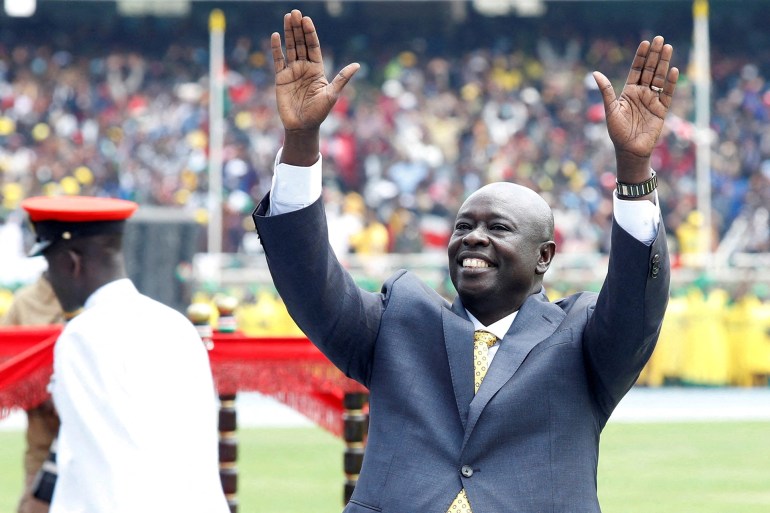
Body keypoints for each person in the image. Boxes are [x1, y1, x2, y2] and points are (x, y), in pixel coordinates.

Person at [253, 9, 675, 513]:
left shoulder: (582, 338)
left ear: (544, 258)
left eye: (497, 229)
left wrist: (634, 168)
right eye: (463, 226)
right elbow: (308, 279)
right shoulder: (398, 319)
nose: (473, 238)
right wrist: (301, 143)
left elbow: (636, 302)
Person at [19, 196, 229, 513]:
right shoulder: (175, 324)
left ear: (71, 264)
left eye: (51, 268)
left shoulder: (82, 336)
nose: (52, 281)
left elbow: (92, 469)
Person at [1, 272, 64, 513]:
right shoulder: (26, 303)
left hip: (91, 454)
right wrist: (38, 390)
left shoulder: (97, 306)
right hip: (43, 451)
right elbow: (6, 367)